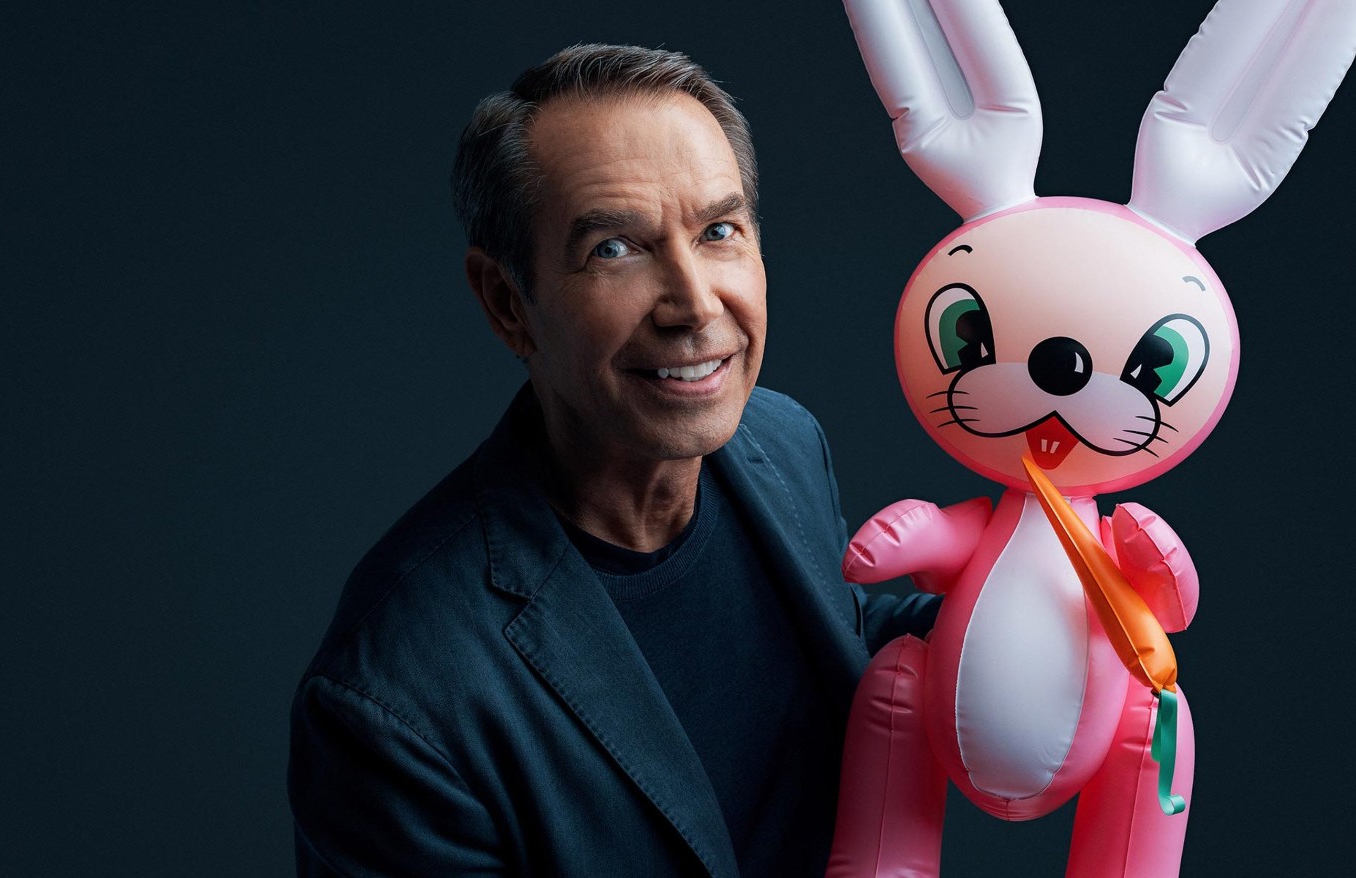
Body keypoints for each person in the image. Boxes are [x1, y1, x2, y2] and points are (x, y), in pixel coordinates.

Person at [287, 44, 939, 877]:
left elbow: (834, 643)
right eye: (614, 250)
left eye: (719, 232)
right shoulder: (395, 696)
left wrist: (1023, 617)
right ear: (507, 303)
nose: (694, 304)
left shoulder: (783, 440)